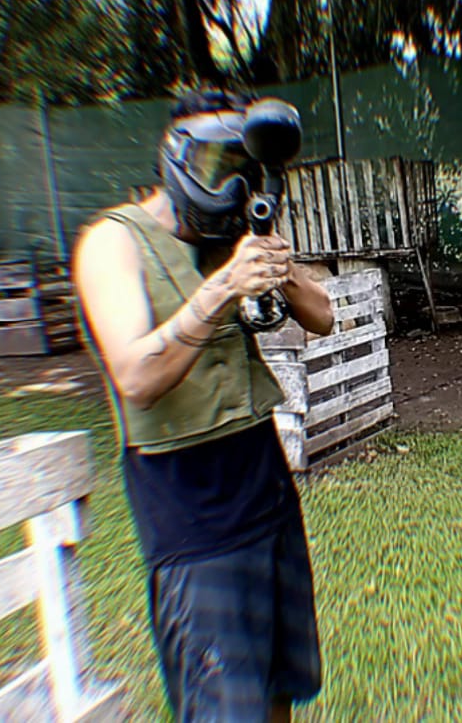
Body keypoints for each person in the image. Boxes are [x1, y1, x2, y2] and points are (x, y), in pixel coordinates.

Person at [72, 89, 333, 721]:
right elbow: (136, 375)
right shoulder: (112, 242)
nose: (230, 184)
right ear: (176, 158)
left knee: (278, 689)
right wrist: (223, 287)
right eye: (217, 164)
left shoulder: (235, 236)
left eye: (242, 166)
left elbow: (324, 316)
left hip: (266, 490)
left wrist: (278, 264)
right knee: (224, 706)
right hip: (192, 514)